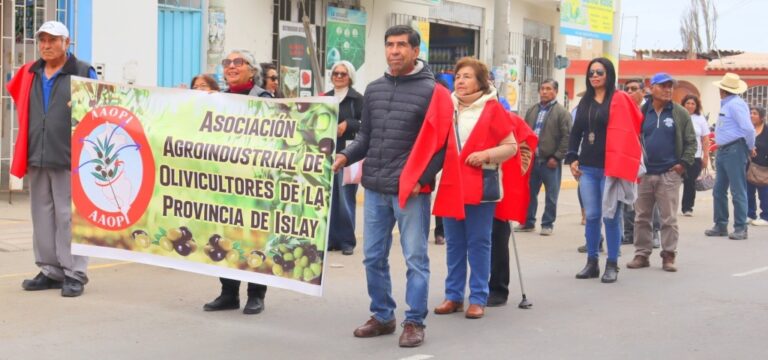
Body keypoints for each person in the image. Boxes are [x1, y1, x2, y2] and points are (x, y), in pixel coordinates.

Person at [332, 25, 446, 348]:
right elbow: (365, 137)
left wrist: (422, 180)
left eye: (401, 45)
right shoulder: (374, 89)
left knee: (415, 259)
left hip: (410, 191)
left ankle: (414, 322)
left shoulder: (433, 92)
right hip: (375, 187)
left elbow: (441, 145)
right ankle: (383, 316)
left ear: (415, 50)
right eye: (390, 45)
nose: (394, 51)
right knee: (372, 257)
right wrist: (345, 156)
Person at [7, 21, 97, 297]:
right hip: (37, 152)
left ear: (66, 43)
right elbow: (17, 97)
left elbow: (98, 109)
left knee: (69, 217)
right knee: (41, 215)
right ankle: (50, 270)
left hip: (71, 157)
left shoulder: (82, 71)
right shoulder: (30, 72)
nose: (46, 45)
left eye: (53, 40)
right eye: (42, 40)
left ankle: (74, 273)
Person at [432, 57, 519, 319]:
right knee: (454, 244)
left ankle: (478, 297)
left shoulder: (493, 109)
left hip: (481, 186)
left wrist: (486, 155)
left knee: (479, 243)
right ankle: (453, 295)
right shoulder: (447, 107)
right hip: (451, 185)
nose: (460, 81)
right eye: (458, 76)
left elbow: (511, 146)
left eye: (467, 76)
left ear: (480, 82)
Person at [203, 49, 272, 315]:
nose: (231, 66)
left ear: (252, 71)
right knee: (225, 235)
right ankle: (228, 293)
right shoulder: (218, 99)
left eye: (238, 62)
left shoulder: (264, 99)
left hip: (254, 182)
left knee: (254, 237)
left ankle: (256, 294)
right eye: (227, 63)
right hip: (225, 180)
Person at [566, 57, 642, 283]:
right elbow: (576, 132)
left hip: (611, 169)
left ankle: (612, 264)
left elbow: (634, 125)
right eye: (591, 73)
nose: (595, 76)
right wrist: (572, 157)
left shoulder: (619, 99)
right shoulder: (585, 102)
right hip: (588, 168)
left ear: (609, 74)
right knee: (591, 216)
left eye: (599, 72)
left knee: (611, 217)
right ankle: (592, 262)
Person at [626, 73, 696, 273]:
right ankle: (642, 254)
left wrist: (682, 165)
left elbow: (691, 141)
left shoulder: (679, 113)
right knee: (641, 217)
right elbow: (631, 138)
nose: (668, 90)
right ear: (651, 88)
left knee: (668, 219)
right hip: (644, 174)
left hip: (669, 174)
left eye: (670, 86)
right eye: (663, 86)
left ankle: (669, 255)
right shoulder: (641, 111)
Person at [705, 73, 756, 240]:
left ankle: (740, 227)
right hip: (724, 149)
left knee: (737, 190)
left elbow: (748, 129)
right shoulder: (728, 104)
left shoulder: (735, 105)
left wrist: (750, 147)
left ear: (723, 90)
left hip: (734, 149)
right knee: (719, 190)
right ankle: (720, 225)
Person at [517, 79, 571, 235]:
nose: (544, 92)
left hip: (550, 161)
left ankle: (547, 224)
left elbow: (567, 137)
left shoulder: (562, 113)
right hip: (533, 160)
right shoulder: (532, 110)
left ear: (556, 92)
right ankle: (528, 222)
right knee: (529, 193)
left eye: (548, 89)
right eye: (542, 89)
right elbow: (524, 132)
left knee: (551, 196)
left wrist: (557, 157)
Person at [326, 60, 363, 255]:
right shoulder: (325, 98)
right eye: (336, 73)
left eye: (343, 74)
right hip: (327, 153)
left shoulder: (358, 99)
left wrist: (348, 123)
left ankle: (347, 241)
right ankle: (331, 239)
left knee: (346, 199)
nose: (339, 77)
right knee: (329, 199)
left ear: (350, 77)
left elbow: (366, 124)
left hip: (349, 154)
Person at [680, 94, 711, 216]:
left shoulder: (700, 119)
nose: (690, 106)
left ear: (696, 106)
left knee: (690, 182)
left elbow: (705, 139)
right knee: (672, 182)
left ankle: (687, 208)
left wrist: (705, 157)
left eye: (693, 103)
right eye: (688, 103)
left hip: (695, 156)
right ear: (683, 104)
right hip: (678, 155)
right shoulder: (677, 115)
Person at [747, 106, 768, 226]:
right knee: (748, 191)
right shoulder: (748, 129)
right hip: (748, 166)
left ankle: (765, 216)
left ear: (761, 117)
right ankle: (750, 214)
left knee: (764, 192)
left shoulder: (766, 131)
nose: (752, 115)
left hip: (763, 167)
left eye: (755, 113)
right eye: (750, 113)